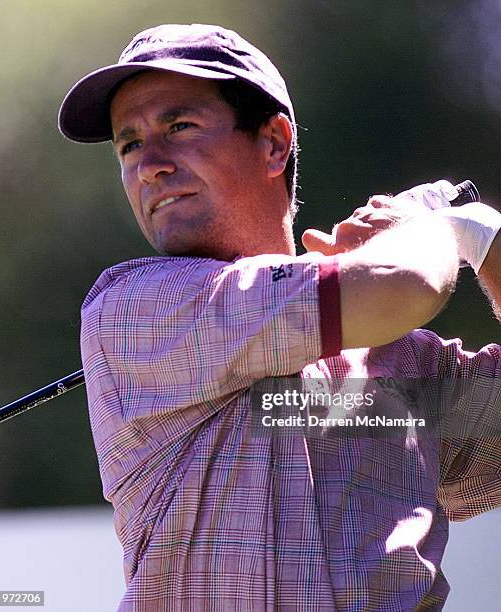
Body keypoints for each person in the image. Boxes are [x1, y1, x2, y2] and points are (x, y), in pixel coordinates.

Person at [58, 24, 501, 611]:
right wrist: (437, 231)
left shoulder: (403, 362)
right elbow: (405, 284)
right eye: (129, 145)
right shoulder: (133, 307)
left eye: (178, 127)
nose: (149, 165)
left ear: (273, 143)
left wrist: (484, 234)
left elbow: (390, 291)